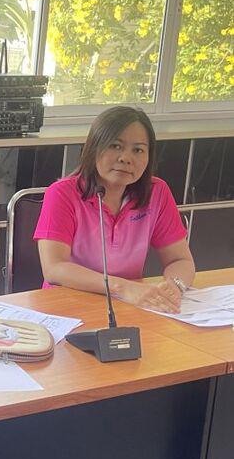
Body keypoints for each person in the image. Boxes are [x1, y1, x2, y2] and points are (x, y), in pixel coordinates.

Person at [35, 106, 195, 313]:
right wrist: (123, 288)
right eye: (115, 146)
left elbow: (180, 260)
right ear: (93, 149)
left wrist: (174, 287)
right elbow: (54, 268)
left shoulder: (157, 192)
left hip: (128, 306)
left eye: (138, 150)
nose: (126, 158)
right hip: (67, 306)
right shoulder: (62, 193)